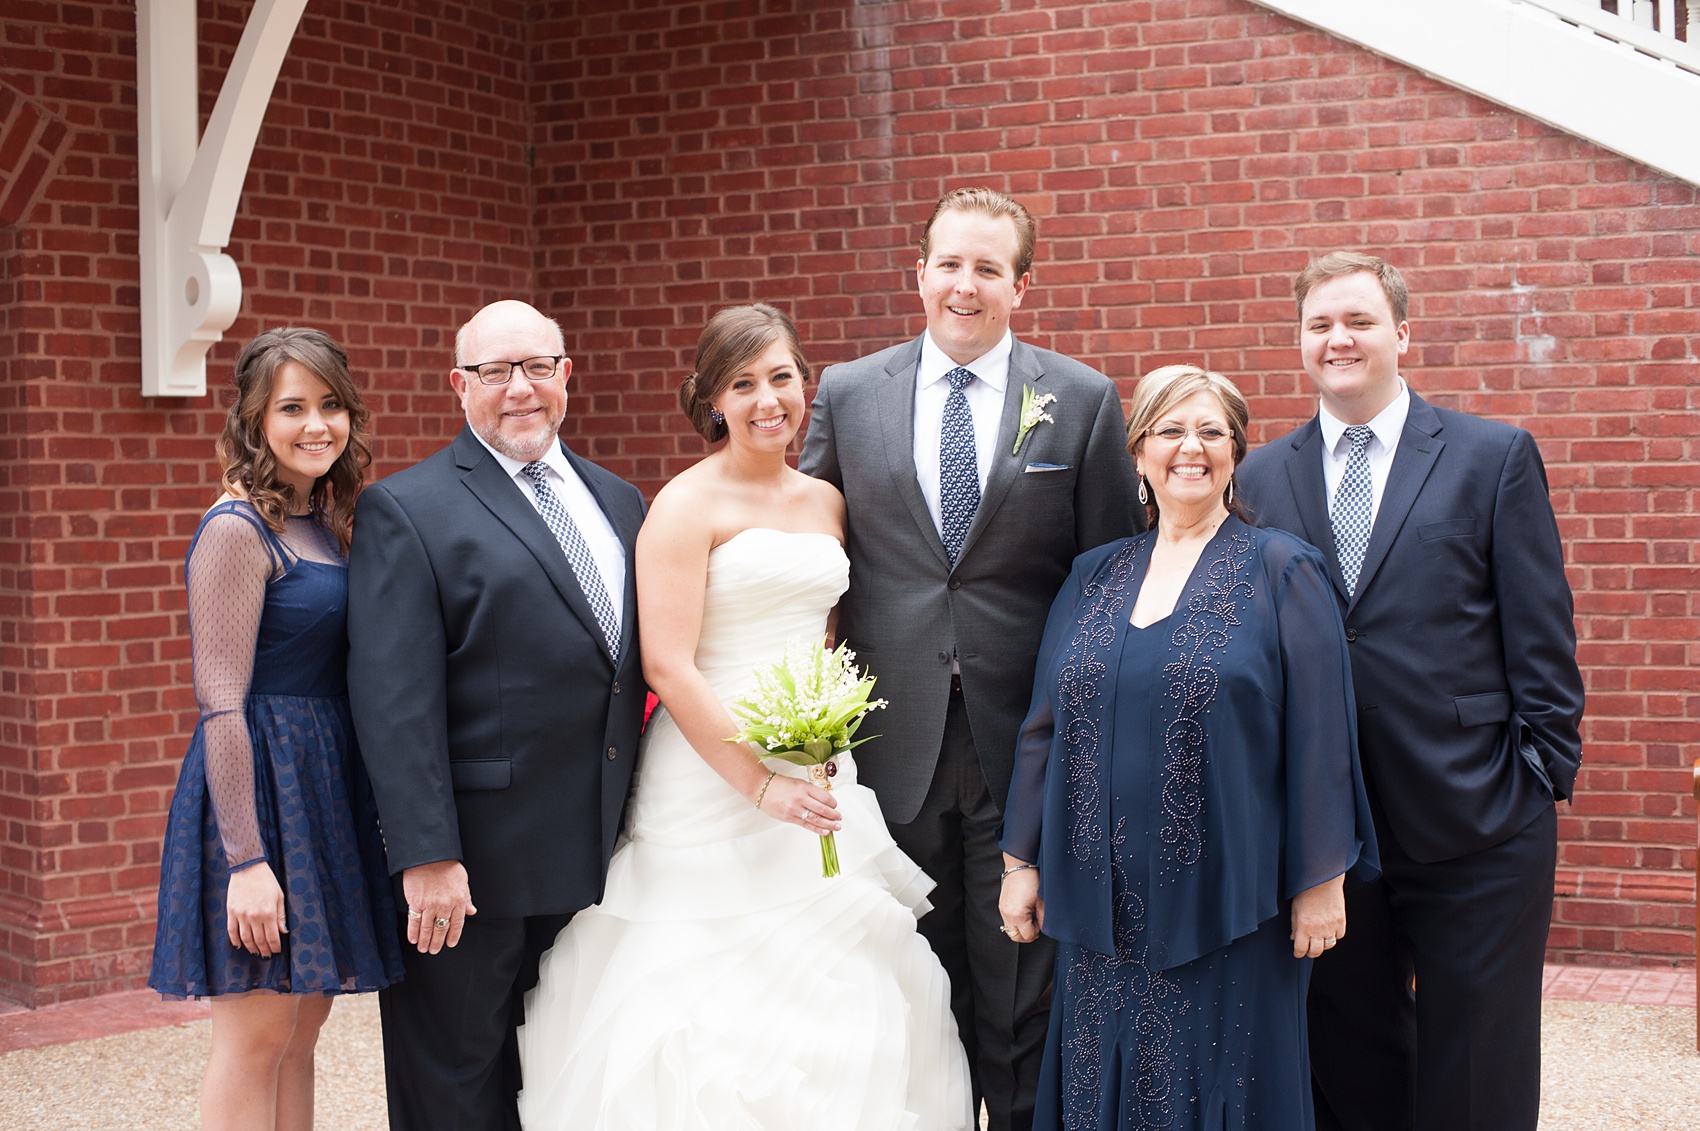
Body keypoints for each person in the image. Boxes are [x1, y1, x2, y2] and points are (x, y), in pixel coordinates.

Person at [516, 303, 972, 1129]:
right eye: (743, 382)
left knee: (838, 980)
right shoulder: (686, 505)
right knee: (710, 999)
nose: (769, 399)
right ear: (713, 401)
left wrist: (822, 740)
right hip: (708, 779)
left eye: (782, 377)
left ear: (805, 384)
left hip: (815, 766)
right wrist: (760, 785)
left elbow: (825, 639)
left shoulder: (827, 502)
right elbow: (667, 662)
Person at [798, 186, 1142, 1130]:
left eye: (988, 268)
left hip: (1026, 744)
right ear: (919, 272)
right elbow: (809, 554)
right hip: (886, 739)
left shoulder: (1080, 401)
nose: (965, 284)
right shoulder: (847, 392)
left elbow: (1110, 579)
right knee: (911, 987)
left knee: (1023, 991)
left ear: (1021, 285)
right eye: (949, 263)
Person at [1236, 253, 1586, 1131]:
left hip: (1479, 822)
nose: (1338, 339)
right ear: (1300, 343)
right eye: (1320, 324)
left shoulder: (1491, 456)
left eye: (1357, 321)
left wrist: (1540, 775)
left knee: (1479, 1075)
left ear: (1402, 333)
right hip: (1327, 836)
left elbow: (1542, 631)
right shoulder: (1260, 477)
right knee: (1352, 1071)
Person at [998, 363, 1378, 1130]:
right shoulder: (1093, 575)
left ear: (1236, 451)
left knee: (1224, 1081)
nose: (1190, 447)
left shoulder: (1282, 569)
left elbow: (1322, 734)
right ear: (1138, 453)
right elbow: (1044, 725)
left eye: (1211, 431)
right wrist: (1020, 862)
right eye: (1171, 429)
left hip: (1231, 903)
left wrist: (1322, 877)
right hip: (1098, 912)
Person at [345, 300, 648, 1130]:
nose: (519, 388)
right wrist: (427, 854)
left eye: (536, 367)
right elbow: (392, 701)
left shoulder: (621, 502)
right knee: (456, 1084)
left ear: (565, 375)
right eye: (493, 371)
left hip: (599, 857)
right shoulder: (407, 510)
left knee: (562, 1080)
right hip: (472, 870)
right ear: (459, 386)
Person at [148, 327, 403, 1131]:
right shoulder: (237, 529)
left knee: (301, 1032)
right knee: (256, 1035)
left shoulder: (327, 526)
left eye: (330, 404)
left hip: (322, 794)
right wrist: (246, 860)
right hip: (258, 795)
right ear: (255, 420)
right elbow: (222, 701)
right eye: (292, 407)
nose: (316, 424)